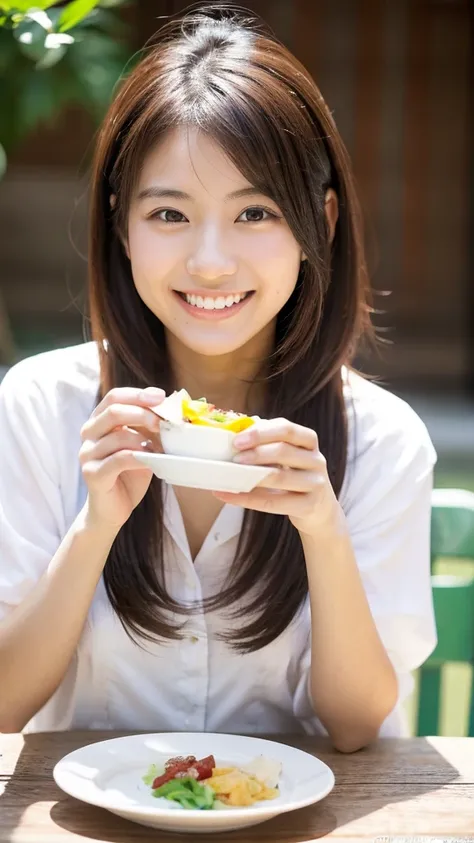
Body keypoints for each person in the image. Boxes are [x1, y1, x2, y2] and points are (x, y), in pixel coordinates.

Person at [0, 4, 437, 750]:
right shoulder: (42, 406)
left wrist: (322, 529)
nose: (209, 261)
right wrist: (95, 523)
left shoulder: (381, 437)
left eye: (255, 212)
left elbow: (358, 724)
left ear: (320, 223)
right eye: (170, 213)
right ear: (120, 224)